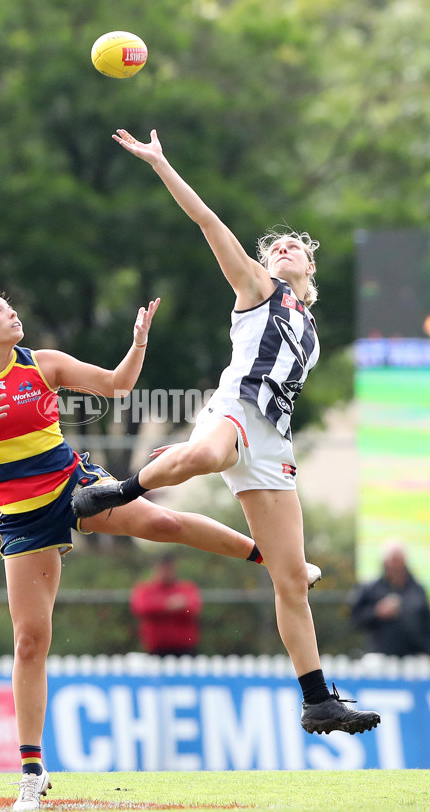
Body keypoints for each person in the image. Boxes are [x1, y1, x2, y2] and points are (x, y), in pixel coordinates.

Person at [0, 278, 319, 811]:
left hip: (73, 485)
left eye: (10, 306)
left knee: (164, 526)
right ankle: (31, 772)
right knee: (30, 642)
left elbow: (117, 386)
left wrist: (137, 346)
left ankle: (277, 560)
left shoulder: (41, 362)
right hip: (22, 517)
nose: (11, 313)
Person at [72, 127, 381, 737]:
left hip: (273, 440)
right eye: (278, 246)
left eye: (296, 247)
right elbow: (210, 223)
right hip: (235, 406)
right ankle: (121, 488)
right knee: (211, 452)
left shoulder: (311, 329)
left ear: (310, 268)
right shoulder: (260, 291)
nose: (286, 247)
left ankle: (318, 699)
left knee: (291, 577)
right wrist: (162, 163)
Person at [350, 541, 430, 657]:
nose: (395, 567)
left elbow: (425, 623)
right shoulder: (371, 588)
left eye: (398, 561)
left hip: (415, 656)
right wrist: (377, 612)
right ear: (385, 563)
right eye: (393, 561)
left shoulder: (418, 589)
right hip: (381, 656)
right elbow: (355, 619)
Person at [130, 553, 202, 656]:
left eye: (169, 569)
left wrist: (161, 607)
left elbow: (194, 608)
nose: (167, 572)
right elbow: (142, 608)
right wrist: (168, 605)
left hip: (185, 648)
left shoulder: (186, 588)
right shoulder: (146, 589)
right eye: (164, 568)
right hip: (156, 648)